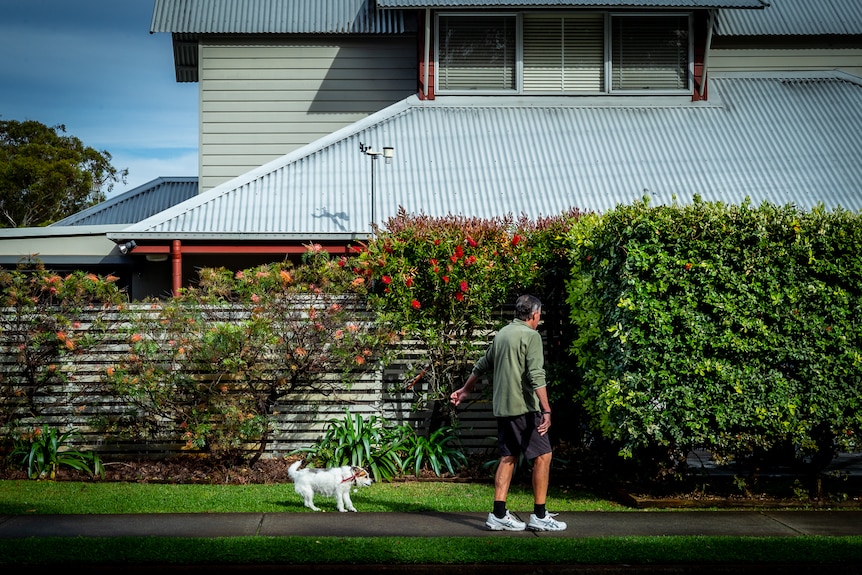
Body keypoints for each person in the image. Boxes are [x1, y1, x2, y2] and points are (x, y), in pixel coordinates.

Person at [450, 294, 567, 532]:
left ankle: (499, 514)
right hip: (525, 408)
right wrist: (547, 409)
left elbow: (483, 363)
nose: (539, 318)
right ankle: (540, 515)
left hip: (503, 409)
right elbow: (536, 375)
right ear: (534, 314)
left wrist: (465, 389)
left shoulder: (503, 333)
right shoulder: (531, 336)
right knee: (544, 456)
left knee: (508, 457)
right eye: (539, 314)